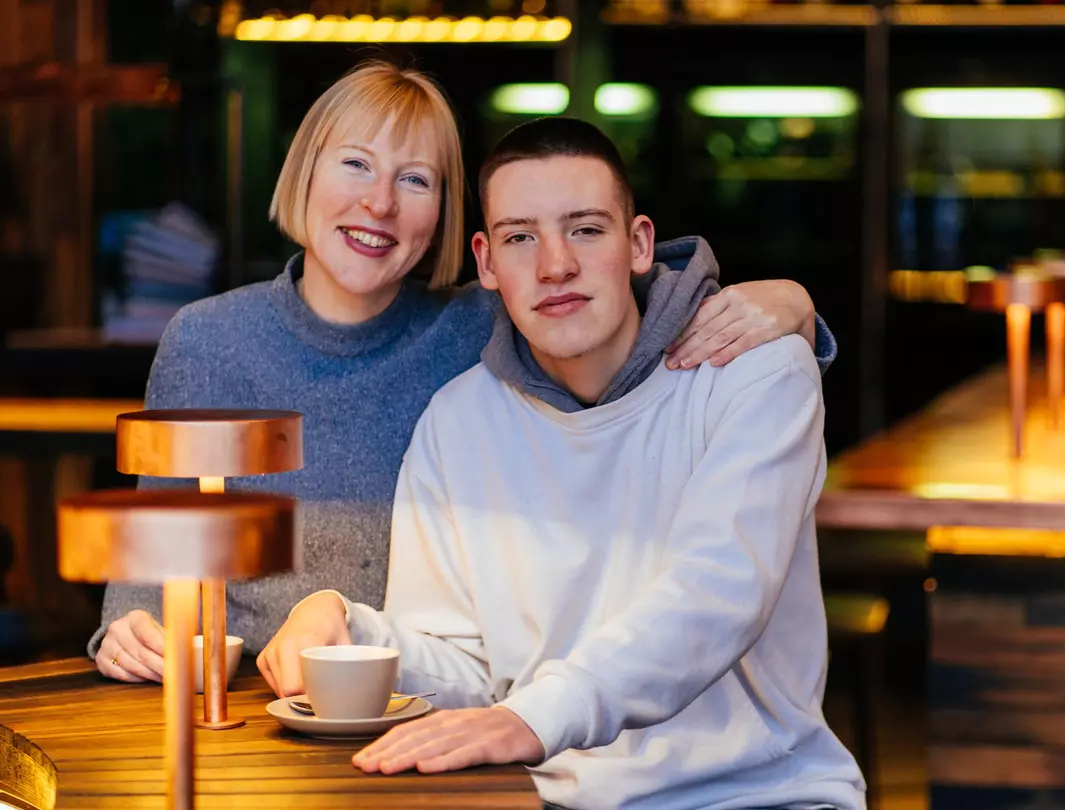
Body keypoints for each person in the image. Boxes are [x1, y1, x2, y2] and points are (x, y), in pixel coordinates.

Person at [89, 60, 837, 683]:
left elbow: (607, 286)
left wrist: (790, 305)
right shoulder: (208, 340)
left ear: (448, 217)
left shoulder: (476, 325)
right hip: (252, 701)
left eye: (416, 180)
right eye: (355, 164)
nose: (378, 202)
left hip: (424, 697)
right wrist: (129, 625)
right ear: (304, 173)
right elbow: (157, 561)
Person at [262, 116, 864, 809]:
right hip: (551, 800)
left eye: (584, 228)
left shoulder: (753, 374)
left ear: (638, 243)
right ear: (486, 263)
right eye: (521, 237)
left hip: (756, 796)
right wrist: (346, 626)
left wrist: (529, 719)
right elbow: (465, 664)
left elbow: (714, 595)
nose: (555, 265)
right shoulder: (459, 420)